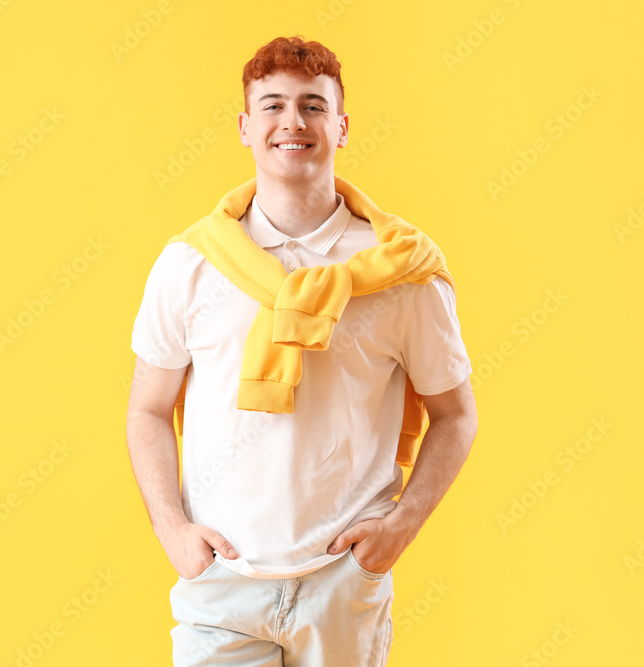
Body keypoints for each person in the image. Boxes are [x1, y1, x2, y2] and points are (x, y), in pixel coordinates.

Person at [126, 35, 478, 666]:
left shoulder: (399, 272)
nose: (293, 122)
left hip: (343, 584)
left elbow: (455, 414)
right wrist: (173, 532)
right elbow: (147, 408)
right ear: (244, 126)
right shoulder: (190, 265)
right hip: (221, 584)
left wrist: (399, 530)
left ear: (341, 127)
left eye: (313, 106)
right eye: (273, 106)